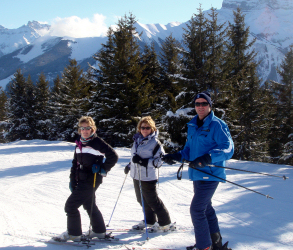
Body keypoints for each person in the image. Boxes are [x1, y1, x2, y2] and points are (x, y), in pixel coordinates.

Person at [163, 91, 234, 250]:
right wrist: (175, 156)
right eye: (197, 104)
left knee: (197, 209)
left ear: (210, 105)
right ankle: (216, 244)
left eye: (204, 103)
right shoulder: (193, 125)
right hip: (197, 174)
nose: (200, 107)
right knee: (206, 208)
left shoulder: (217, 125)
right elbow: (189, 151)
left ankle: (203, 247)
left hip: (211, 174)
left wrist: (208, 158)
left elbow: (228, 148)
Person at [56, 116, 118, 242]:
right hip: (81, 177)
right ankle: (99, 231)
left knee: (71, 206)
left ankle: (74, 234)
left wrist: (102, 167)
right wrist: (72, 179)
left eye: (87, 128)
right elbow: (75, 163)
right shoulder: (79, 142)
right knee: (89, 204)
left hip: (92, 178)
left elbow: (114, 156)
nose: (85, 130)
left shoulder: (97, 142)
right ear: (79, 129)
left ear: (92, 129)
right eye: (82, 128)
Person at [124, 116, 173, 232]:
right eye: (142, 127)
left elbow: (159, 161)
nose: (145, 130)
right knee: (141, 199)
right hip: (136, 175)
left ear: (152, 129)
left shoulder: (155, 143)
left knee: (152, 201)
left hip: (148, 177)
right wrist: (129, 165)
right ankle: (150, 220)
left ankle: (165, 222)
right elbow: (134, 156)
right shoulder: (137, 140)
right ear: (139, 128)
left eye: (147, 127)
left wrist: (143, 162)